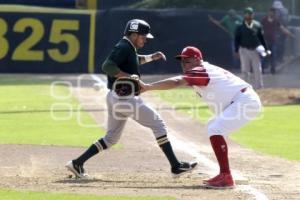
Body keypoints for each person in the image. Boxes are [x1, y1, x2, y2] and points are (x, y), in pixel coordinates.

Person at [66, 19, 197, 179]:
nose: (145, 39)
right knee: (158, 124)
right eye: (143, 36)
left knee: (111, 138)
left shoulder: (128, 47)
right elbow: (107, 66)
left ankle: (77, 163)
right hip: (125, 99)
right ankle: (175, 166)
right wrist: (130, 77)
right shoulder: (123, 46)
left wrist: (151, 57)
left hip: (115, 97)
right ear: (134, 34)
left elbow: (134, 60)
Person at [140, 46, 262, 189]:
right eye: (182, 61)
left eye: (188, 61)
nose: (184, 64)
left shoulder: (201, 70)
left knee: (216, 128)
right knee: (213, 125)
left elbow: (177, 82)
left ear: (198, 60)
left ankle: (226, 176)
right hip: (241, 100)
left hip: (245, 101)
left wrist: (148, 87)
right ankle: (224, 174)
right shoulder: (203, 70)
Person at [235, 7, 269, 89]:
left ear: (253, 15)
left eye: (250, 14)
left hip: (255, 49)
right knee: (245, 70)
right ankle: (246, 87)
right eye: (247, 13)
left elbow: (261, 38)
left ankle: (259, 86)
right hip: (244, 49)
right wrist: (236, 51)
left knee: (257, 69)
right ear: (244, 15)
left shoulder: (257, 25)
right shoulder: (240, 26)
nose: (248, 15)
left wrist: (266, 49)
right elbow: (237, 39)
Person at [261, 8, 295, 74]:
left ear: (274, 13)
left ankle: (273, 69)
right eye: (270, 12)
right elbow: (259, 28)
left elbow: (282, 28)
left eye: (273, 12)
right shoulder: (264, 20)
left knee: (273, 55)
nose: (271, 13)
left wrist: (290, 34)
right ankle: (262, 69)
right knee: (265, 55)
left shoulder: (276, 21)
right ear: (268, 12)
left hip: (273, 41)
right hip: (265, 41)